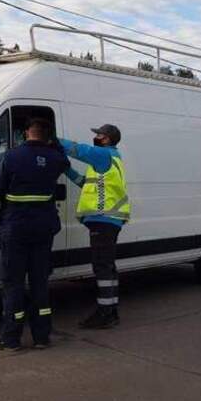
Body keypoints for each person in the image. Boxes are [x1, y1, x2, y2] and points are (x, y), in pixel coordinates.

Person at [0, 117, 70, 351]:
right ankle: (41, 337)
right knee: (40, 283)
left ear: (26, 132)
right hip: (44, 229)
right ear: (48, 136)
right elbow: (64, 161)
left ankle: (11, 340)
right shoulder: (56, 159)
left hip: (15, 230)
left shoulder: (9, 157)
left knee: (13, 285)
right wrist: (53, 143)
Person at [60, 124, 130, 329]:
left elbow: (77, 149)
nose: (96, 137)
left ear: (107, 139)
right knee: (108, 266)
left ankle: (104, 314)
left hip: (104, 219)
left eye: (99, 134)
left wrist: (50, 139)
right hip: (107, 220)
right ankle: (111, 310)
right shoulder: (110, 158)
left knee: (102, 267)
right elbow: (86, 183)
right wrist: (67, 170)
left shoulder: (103, 154)